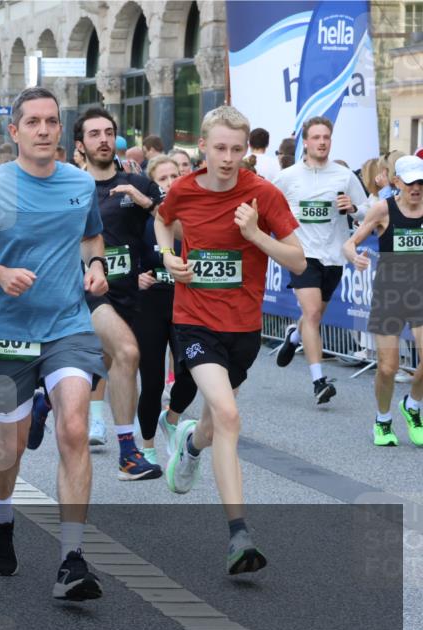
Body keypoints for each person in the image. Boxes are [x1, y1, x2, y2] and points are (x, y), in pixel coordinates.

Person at [0, 87, 108, 601]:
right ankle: (1, 517)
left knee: (75, 427)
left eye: (51, 122)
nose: (43, 130)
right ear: (13, 131)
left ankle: (72, 559)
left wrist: (97, 266)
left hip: (68, 327)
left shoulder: (80, 183)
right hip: (4, 336)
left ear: (62, 130)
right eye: (32, 122)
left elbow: (91, 237)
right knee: (7, 446)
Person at [155, 105, 305, 574]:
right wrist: (167, 257)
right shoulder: (183, 189)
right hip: (194, 321)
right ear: (203, 146)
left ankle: (190, 445)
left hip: (242, 328)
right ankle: (239, 535)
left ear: (247, 151)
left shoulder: (263, 193)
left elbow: (298, 262)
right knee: (228, 413)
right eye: (219, 148)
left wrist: (256, 233)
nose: (228, 158)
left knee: (215, 423)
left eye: (237, 150)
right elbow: (163, 220)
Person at [34, 105, 163, 481]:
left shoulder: (138, 184)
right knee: (127, 352)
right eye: (95, 134)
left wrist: (151, 206)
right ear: (80, 144)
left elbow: (179, 227)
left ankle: (43, 398)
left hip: (129, 293)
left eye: (109, 132)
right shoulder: (66, 186)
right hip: (83, 292)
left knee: (98, 367)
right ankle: (128, 454)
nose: (103, 139)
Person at [273, 116, 368, 403]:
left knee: (315, 314)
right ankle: (319, 381)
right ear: (306, 141)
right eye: (316, 137)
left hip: (334, 256)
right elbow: (268, 208)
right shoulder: (288, 177)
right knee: (313, 313)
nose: (322, 142)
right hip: (302, 255)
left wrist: (352, 208)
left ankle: (293, 337)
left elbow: (367, 212)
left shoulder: (344, 176)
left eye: (326, 137)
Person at [342, 155, 423, 447]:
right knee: (388, 368)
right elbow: (350, 243)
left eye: (421, 182)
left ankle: (413, 406)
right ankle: (383, 419)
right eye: (411, 182)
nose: (416, 188)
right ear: (396, 181)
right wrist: (354, 256)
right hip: (390, 293)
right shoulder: (383, 209)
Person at [134, 155, 198, 463]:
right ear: (152, 184)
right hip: (151, 302)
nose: (171, 182)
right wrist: (137, 275)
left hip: (185, 300)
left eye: (175, 175)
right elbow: (124, 251)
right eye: (163, 178)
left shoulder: (193, 215)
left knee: (192, 371)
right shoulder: (142, 217)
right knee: (152, 380)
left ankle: (171, 418)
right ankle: (147, 448)